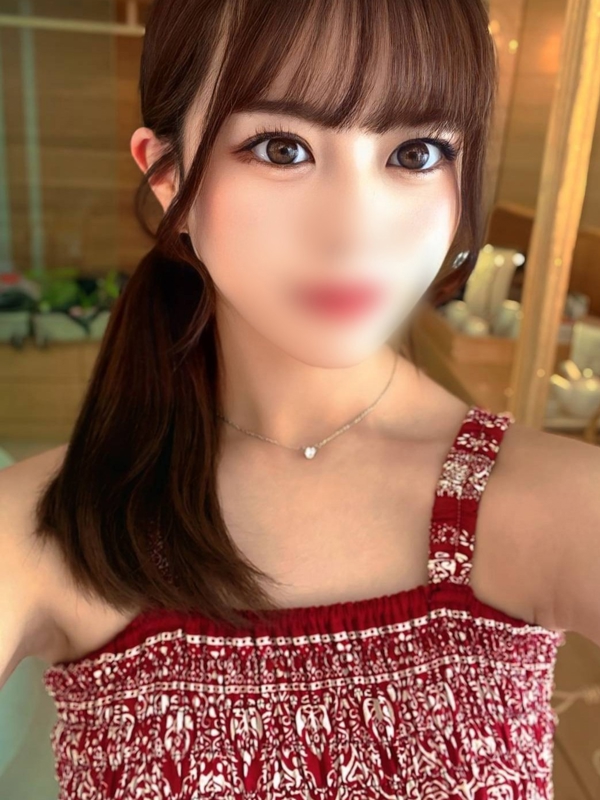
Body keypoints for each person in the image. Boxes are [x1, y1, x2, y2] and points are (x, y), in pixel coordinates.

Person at [2, 0, 600, 797]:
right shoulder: (38, 525)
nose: (353, 231)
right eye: (281, 148)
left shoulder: (560, 503)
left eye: (416, 153)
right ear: (167, 174)